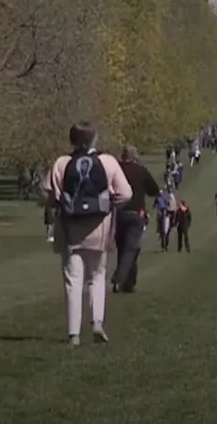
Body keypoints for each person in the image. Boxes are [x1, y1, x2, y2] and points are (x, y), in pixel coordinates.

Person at [41, 121, 132, 346]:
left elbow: (46, 193)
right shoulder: (107, 162)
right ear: (94, 138)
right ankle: (97, 322)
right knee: (97, 276)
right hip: (99, 228)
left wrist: (59, 204)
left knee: (73, 280)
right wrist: (108, 205)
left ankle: (73, 333)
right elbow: (126, 193)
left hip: (70, 229)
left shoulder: (62, 163)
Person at [113, 146, 160, 294]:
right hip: (135, 214)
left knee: (123, 248)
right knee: (131, 249)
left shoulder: (116, 169)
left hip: (118, 213)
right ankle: (119, 279)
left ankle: (129, 283)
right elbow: (154, 190)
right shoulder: (141, 171)